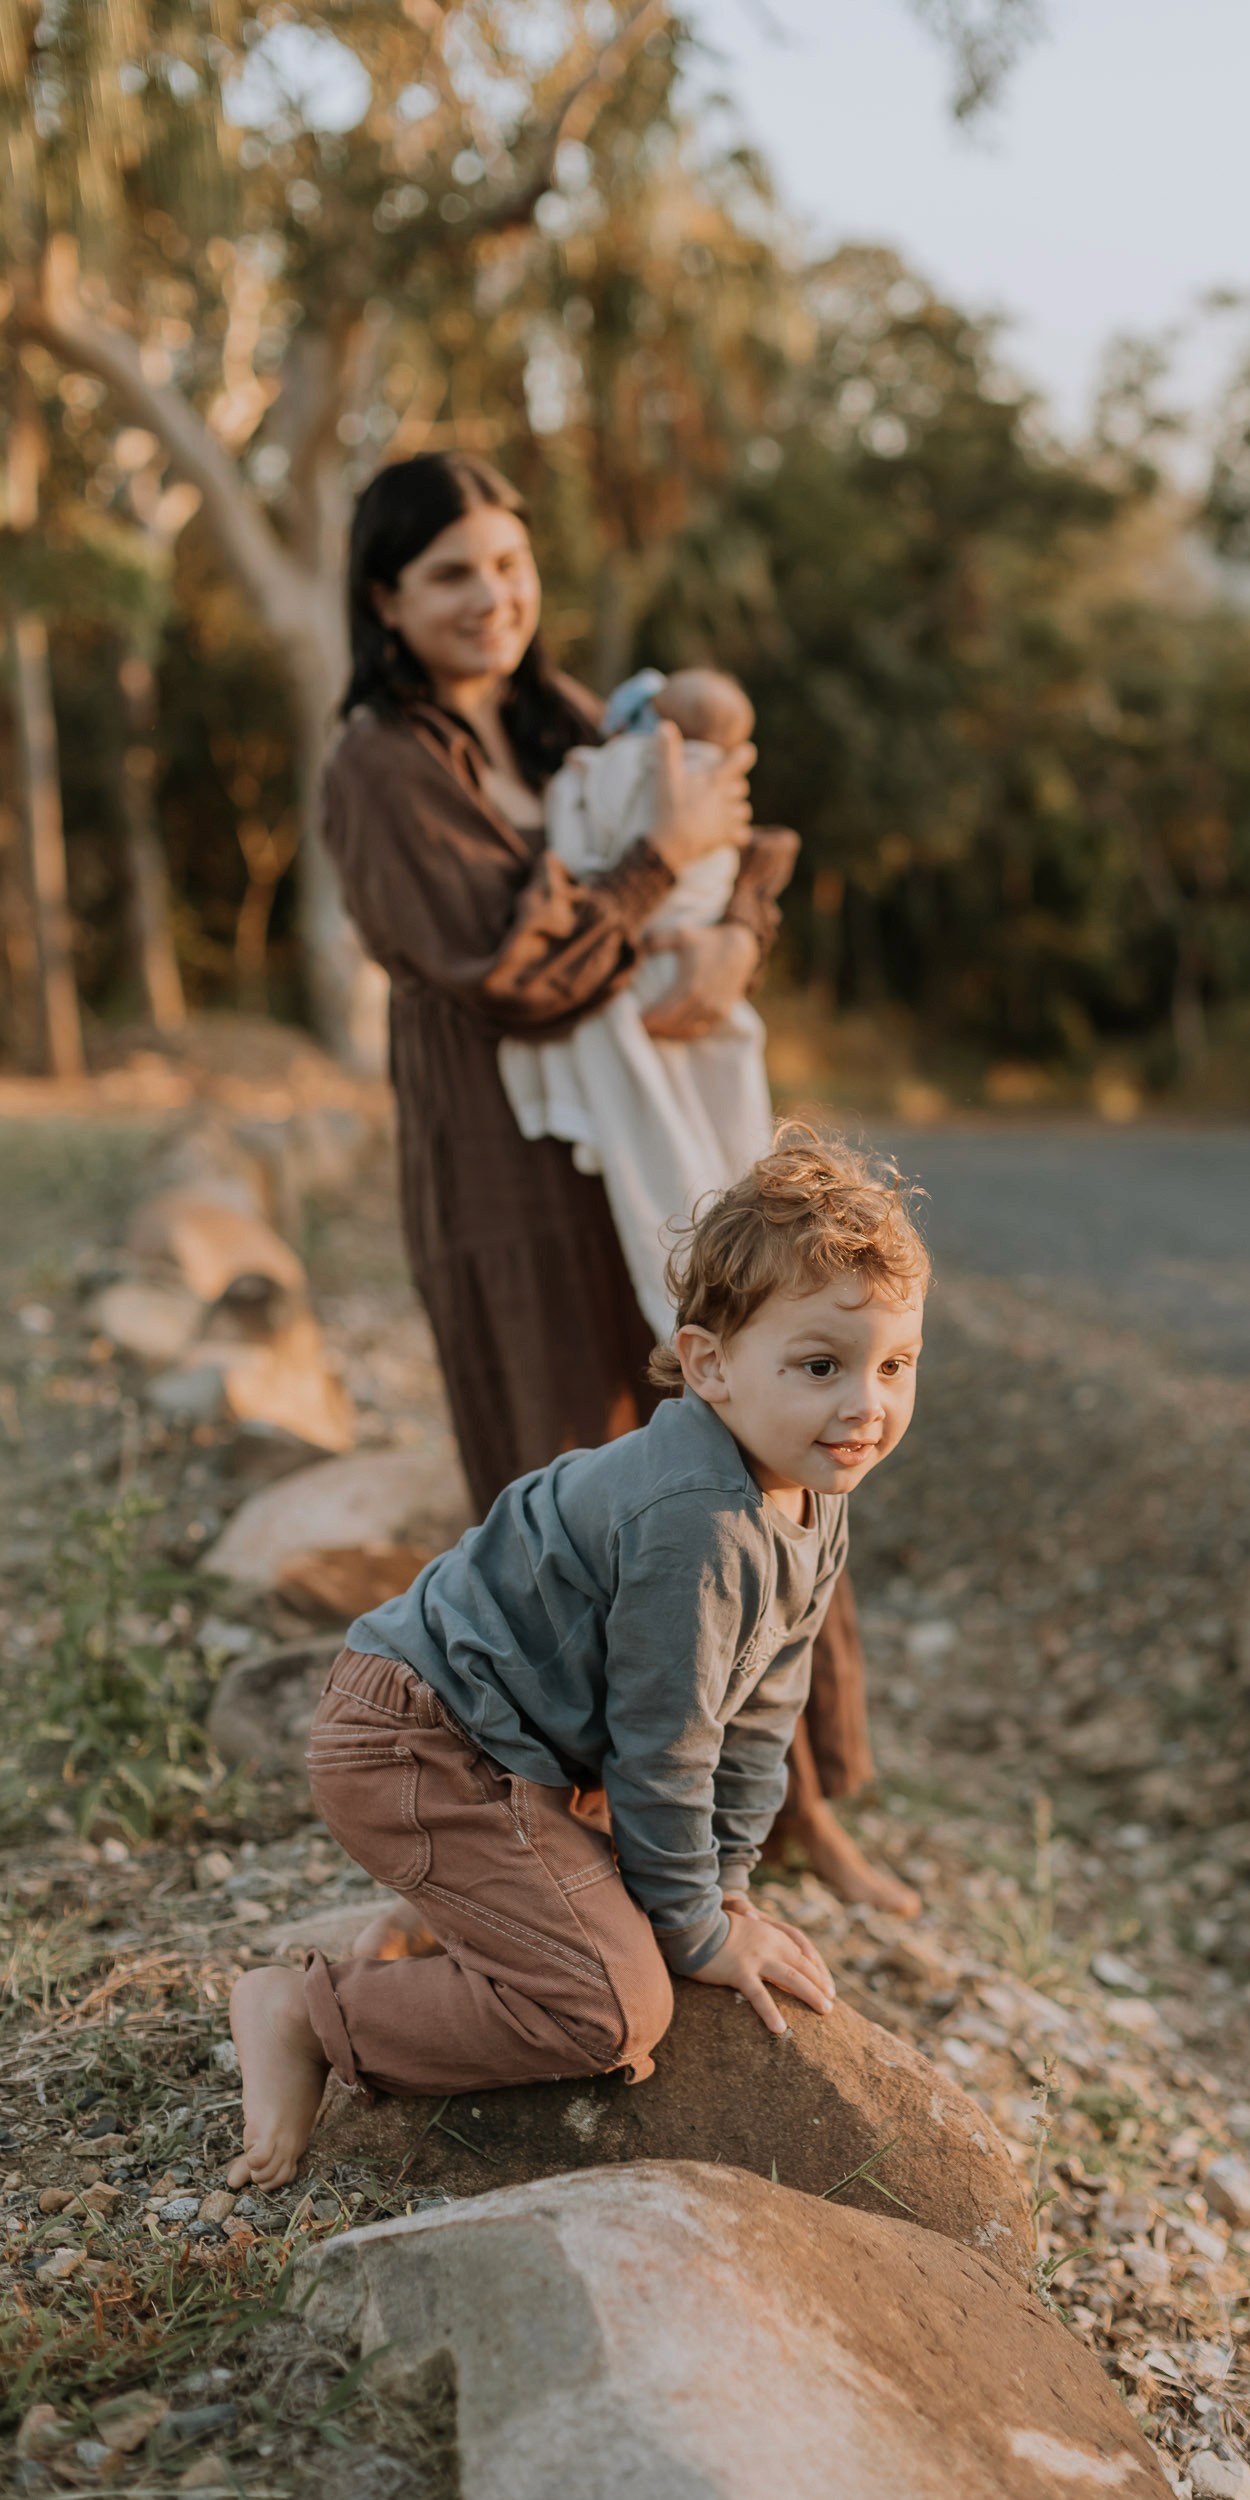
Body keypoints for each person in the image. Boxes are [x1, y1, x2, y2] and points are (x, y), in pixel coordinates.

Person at [322, 451, 918, 1916]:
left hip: (653, 1134)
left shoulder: (576, 720)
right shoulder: (382, 769)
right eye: (452, 571)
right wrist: (656, 875)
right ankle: (596, 1837)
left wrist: (727, 940)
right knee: (584, 1481)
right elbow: (504, 968)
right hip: (507, 1168)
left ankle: (796, 1808)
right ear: (387, 597)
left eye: (508, 564)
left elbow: (717, 857)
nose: (491, 597)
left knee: (767, 1431)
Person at [225, 1134, 930, 2192]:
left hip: (517, 1755)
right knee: (610, 2006)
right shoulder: (694, 1519)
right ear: (709, 1366)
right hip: (419, 1742)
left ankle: (451, 1917)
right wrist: (691, 1936)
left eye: (892, 1365)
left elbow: (758, 1719)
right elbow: (663, 1746)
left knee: (649, 1909)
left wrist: (722, 1896)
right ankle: (309, 2015)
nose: (864, 1405)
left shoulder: (809, 1495)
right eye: (820, 1365)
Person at [496, 665, 775, 1337]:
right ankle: (757, 1299)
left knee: (660, 1162)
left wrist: (740, 933)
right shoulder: (718, 780)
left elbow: (575, 851)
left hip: (637, 963)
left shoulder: (604, 761)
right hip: (671, 946)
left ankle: (705, 1314)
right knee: (733, 1145)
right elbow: (743, 848)